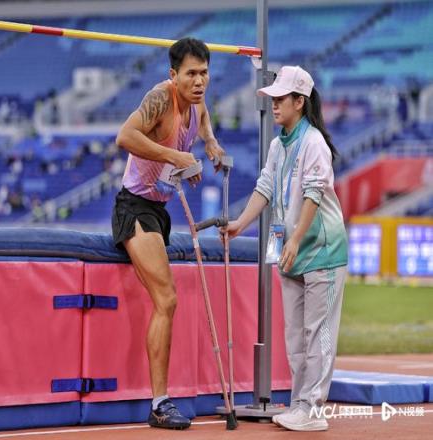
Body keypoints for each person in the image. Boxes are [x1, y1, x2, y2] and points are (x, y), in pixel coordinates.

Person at [225, 66, 348, 432]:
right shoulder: (278, 145)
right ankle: (298, 403)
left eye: (281, 98)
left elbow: (313, 193)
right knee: (294, 334)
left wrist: (293, 240)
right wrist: (240, 223)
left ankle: (313, 409)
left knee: (317, 332)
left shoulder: (314, 143)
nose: (274, 105)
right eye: (273, 99)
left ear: (300, 102)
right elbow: (265, 187)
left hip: (321, 250)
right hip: (288, 249)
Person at [112, 37, 224, 430]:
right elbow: (125, 137)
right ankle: (160, 403)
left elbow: (204, 120)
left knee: (168, 300)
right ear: (173, 74)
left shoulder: (197, 100)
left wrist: (211, 144)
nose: (199, 81)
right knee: (167, 299)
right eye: (191, 74)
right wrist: (175, 156)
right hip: (134, 208)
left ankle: (161, 399)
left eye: (204, 73)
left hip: (160, 211)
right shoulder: (160, 98)